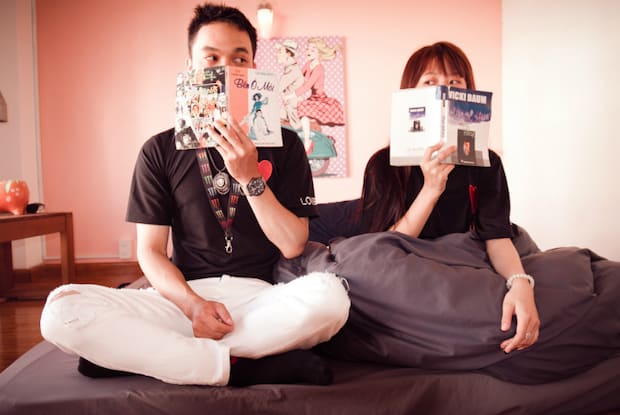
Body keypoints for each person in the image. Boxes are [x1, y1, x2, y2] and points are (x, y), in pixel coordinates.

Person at [39, 2, 350, 387]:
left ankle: (157, 356)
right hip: (181, 299)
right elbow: (150, 252)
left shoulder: (285, 144)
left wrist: (250, 178)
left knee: (331, 299)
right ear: (190, 68)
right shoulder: (159, 150)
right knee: (61, 311)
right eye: (211, 58)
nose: (225, 68)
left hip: (261, 298)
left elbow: (292, 245)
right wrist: (193, 307)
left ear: (253, 68)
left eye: (239, 57)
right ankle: (241, 365)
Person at [314, 41, 539, 355]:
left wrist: (520, 283)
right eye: (430, 82)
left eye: (454, 82)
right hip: (409, 265)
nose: (444, 91)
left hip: (464, 261)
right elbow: (385, 247)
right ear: (410, 94)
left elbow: (497, 236)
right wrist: (432, 188)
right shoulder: (384, 163)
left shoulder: (486, 162)